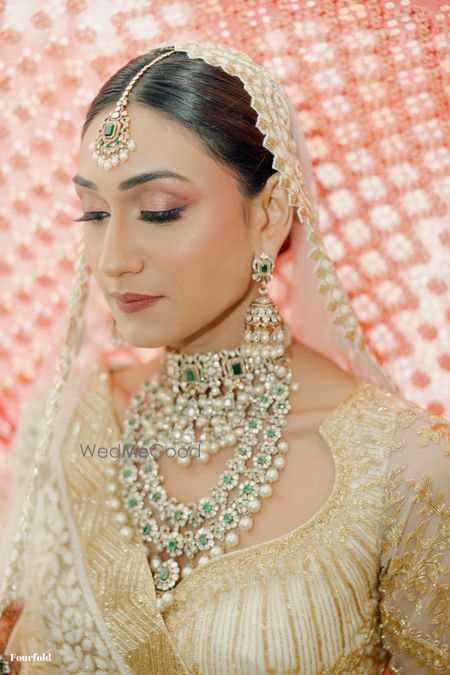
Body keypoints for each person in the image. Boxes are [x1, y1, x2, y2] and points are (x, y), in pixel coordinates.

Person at [0, 40, 448, 674]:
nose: (111, 257)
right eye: (94, 212)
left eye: (160, 211)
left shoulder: (404, 466)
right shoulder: (68, 424)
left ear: (268, 216)